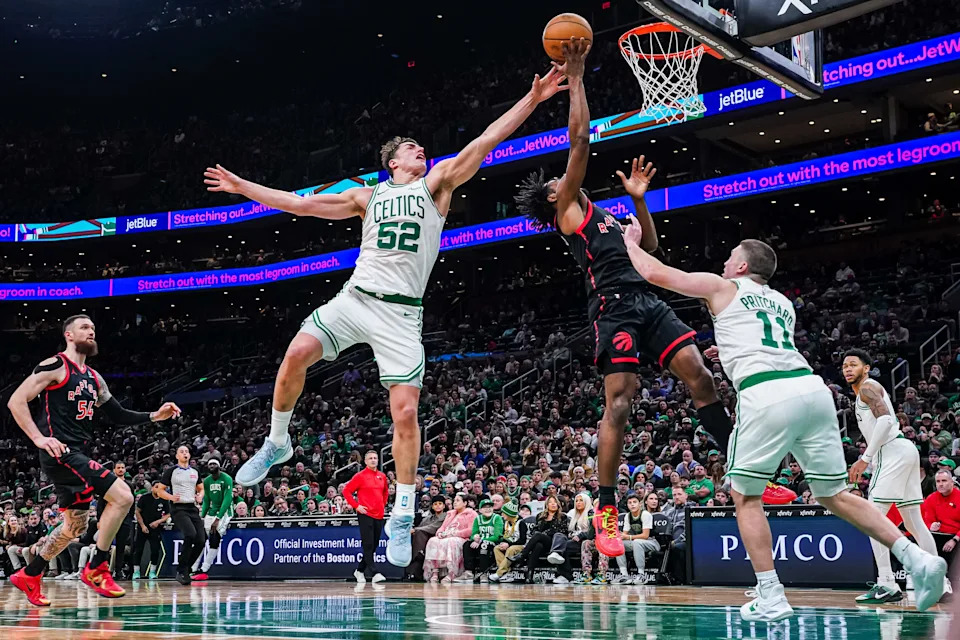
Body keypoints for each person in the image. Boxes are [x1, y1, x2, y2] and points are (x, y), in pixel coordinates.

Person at [205, 64, 568, 571]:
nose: (422, 151)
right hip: (356, 298)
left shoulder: (437, 184)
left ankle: (402, 511)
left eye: (422, 147)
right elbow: (301, 205)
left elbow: (485, 141)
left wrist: (533, 99)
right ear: (392, 162)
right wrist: (245, 187)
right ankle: (277, 442)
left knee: (404, 413)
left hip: (401, 315)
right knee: (295, 355)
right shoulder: (366, 196)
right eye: (412, 148)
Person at [621, 229, 948, 620]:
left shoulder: (722, 285)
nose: (724, 262)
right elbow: (758, 338)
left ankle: (771, 594)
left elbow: (655, 273)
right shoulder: (782, 303)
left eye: (729, 256)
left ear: (741, 266)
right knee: (836, 495)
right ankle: (916, 558)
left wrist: (630, 242)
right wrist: (725, 349)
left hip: (765, 394)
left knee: (745, 497)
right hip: (811, 390)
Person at [513, 40, 732, 560]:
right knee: (621, 399)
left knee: (699, 373)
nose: (563, 181)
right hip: (612, 308)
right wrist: (579, 76)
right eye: (556, 183)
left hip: (647, 298)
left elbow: (650, 248)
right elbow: (580, 141)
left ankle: (741, 461)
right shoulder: (570, 211)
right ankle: (606, 510)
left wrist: (640, 203)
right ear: (553, 199)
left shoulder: (610, 217)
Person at [5, 314, 181, 606]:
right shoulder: (56, 365)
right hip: (61, 452)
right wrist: (39, 438)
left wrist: (154, 415)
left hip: (77, 454)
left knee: (74, 527)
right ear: (68, 335)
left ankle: (30, 574)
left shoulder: (93, 378)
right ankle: (97, 567)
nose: (91, 331)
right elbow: (16, 400)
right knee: (124, 496)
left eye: (93, 328)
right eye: (84, 327)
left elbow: (118, 414)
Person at [842, 349, 948, 603]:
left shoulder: (868, 388)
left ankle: (887, 584)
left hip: (891, 452)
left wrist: (865, 458)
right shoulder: (863, 392)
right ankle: (940, 584)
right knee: (914, 523)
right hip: (904, 451)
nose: (847, 369)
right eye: (844, 365)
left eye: (853, 364)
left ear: (866, 368)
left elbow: (887, 421)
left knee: (871, 520)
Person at [157, 445, 205, 586]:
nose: (185, 453)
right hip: (178, 508)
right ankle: (181, 570)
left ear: (189, 455)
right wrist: (171, 497)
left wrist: (200, 496)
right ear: (177, 456)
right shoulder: (171, 471)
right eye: (181, 452)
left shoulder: (195, 471)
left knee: (201, 540)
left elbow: (201, 488)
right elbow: (160, 491)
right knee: (190, 534)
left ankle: (186, 567)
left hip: (192, 507)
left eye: (186, 452)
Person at [342, 450, 389, 584]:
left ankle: (360, 570)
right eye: (370, 458)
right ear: (366, 461)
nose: (373, 460)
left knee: (374, 545)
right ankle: (375, 572)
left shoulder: (382, 476)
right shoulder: (360, 476)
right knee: (368, 544)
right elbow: (346, 491)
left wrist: (382, 505)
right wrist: (356, 506)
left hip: (379, 514)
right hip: (365, 514)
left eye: (375, 458)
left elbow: (385, 492)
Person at [503, 495, 569, 584]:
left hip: (555, 543)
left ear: (558, 504)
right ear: (546, 505)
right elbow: (535, 529)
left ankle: (522, 555)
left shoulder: (562, 516)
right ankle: (529, 576)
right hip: (542, 542)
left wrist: (542, 534)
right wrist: (539, 534)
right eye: (550, 502)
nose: (553, 504)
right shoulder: (540, 516)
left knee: (538, 536)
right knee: (538, 545)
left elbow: (560, 531)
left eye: (555, 502)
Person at [191, 459, 235, 581]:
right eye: (210, 464)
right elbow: (206, 500)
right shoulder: (207, 481)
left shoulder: (227, 479)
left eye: (214, 464)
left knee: (215, 537)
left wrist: (218, 518)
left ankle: (204, 568)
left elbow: (227, 500)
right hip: (212, 510)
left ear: (219, 466)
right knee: (201, 538)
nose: (211, 466)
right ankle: (193, 568)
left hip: (225, 510)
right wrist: (202, 516)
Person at [423, 494, 476, 583]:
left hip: (461, 538)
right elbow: (443, 527)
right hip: (447, 535)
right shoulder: (450, 513)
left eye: (458, 500)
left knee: (452, 542)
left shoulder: (471, 514)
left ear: (465, 503)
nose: (455, 502)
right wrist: (439, 533)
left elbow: (471, 530)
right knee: (433, 540)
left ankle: (452, 573)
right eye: (454, 500)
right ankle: (435, 572)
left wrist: (456, 533)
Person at [922, 470, 960, 576]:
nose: (941, 484)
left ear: (952, 482)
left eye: (944, 480)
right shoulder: (931, 498)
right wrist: (931, 526)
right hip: (938, 535)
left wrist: (954, 540)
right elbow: (927, 520)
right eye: (938, 481)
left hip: (956, 536)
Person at [458, 498, 503, 583]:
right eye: (485, 507)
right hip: (480, 542)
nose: (488, 509)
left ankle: (483, 573)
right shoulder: (477, 519)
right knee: (467, 544)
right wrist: (474, 538)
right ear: (480, 510)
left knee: (484, 545)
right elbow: (473, 534)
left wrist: (480, 540)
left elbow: (497, 536)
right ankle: (468, 572)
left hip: (493, 543)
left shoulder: (497, 518)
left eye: (490, 507)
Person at [132, 481, 169, 580]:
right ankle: (136, 572)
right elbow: (137, 512)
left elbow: (168, 514)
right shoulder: (145, 498)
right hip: (143, 527)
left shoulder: (164, 499)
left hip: (155, 528)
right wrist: (143, 525)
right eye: (156, 487)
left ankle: (152, 572)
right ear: (152, 488)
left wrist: (158, 521)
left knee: (155, 550)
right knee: (138, 550)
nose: (158, 489)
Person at [408, 495, 448, 580]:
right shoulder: (427, 518)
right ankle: (418, 554)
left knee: (419, 532)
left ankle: (419, 554)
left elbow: (434, 527)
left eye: (440, 503)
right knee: (416, 533)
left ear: (444, 506)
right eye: (435, 504)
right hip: (425, 540)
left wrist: (415, 529)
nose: (438, 506)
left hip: (441, 538)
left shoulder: (446, 516)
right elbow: (421, 528)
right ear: (432, 506)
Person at [489, 501, 528, 582]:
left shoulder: (521, 523)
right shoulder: (506, 523)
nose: (502, 515)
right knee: (497, 548)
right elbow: (506, 536)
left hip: (522, 546)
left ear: (509, 514)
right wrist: (503, 542)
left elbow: (522, 540)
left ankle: (500, 573)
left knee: (511, 549)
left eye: (503, 513)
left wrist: (508, 544)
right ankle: (506, 574)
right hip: (510, 544)